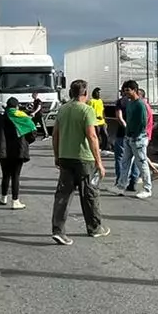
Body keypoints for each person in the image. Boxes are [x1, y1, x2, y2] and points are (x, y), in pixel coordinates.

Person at [51, 78, 108, 245]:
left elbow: (55, 135)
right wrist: (99, 162)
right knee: (89, 194)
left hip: (65, 157)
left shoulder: (62, 109)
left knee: (63, 195)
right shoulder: (87, 110)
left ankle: (58, 230)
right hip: (84, 159)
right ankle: (95, 228)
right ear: (85, 93)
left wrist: (57, 156)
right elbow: (92, 136)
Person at [0, 95, 32, 207]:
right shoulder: (22, 117)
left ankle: (3, 197)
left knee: (6, 174)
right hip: (19, 150)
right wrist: (26, 143)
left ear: (6, 106)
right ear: (17, 107)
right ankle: (15, 201)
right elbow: (32, 134)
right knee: (16, 176)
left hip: (4, 150)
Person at [115, 81, 151, 199]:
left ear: (134, 90)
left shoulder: (140, 104)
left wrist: (135, 135)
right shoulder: (130, 103)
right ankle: (121, 186)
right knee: (125, 162)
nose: (125, 93)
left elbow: (142, 122)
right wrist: (128, 134)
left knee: (142, 163)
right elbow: (129, 120)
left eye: (127, 90)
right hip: (129, 137)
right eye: (124, 90)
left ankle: (147, 188)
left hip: (138, 138)